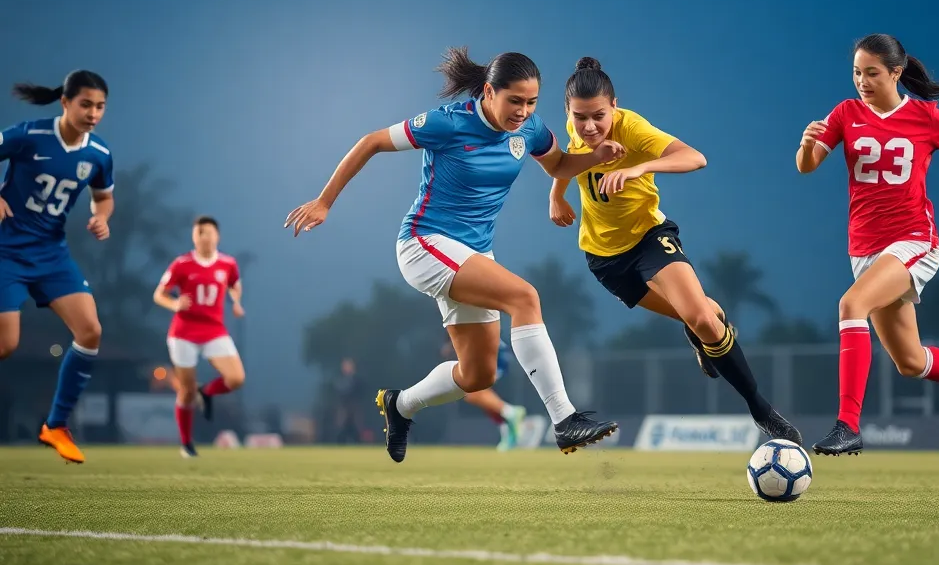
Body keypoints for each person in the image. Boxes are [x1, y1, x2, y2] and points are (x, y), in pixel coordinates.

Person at [285, 48, 625, 463]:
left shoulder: (530, 130)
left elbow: (557, 166)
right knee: (525, 297)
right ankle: (564, 419)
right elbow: (371, 141)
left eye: (531, 102)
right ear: (488, 92)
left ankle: (401, 405)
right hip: (424, 243)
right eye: (513, 101)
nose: (522, 111)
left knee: (477, 374)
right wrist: (324, 202)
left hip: (472, 253)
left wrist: (594, 157)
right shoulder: (448, 122)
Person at [549, 57, 802, 444]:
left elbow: (695, 157)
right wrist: (556, 197)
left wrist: (638, 168)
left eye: (599, 116)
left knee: (703, 318)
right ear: (568, 111)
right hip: (604, 260)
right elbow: (566, 161)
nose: (589, 127)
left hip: (650, 238)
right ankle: (698, 329)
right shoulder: (576, 127)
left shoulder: (632, 128)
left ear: (614, 105)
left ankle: (762, 410)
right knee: (707, 316)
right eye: (580, 117)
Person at [795, 33, 939, 455]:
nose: (861, 81)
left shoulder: (925, 117)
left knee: (851, 306)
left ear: (896, 73)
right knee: (911, 362)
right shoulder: (846, 113)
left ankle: (847, 426)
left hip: (912, 240)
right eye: (856, 73)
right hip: (863, 250)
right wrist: (807, 144)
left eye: (871, 73)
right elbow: (807, 167)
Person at [0, 71, 115, 464]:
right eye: (86, 104)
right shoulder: (29, 135)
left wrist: (102, 217)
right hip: (6, 251)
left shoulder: (98, 153)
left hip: (52, 254)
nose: (93, 113)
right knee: (6, 344)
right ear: (65, 103)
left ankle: (56, 426)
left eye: (100, 106)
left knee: (90, 330)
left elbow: (104, 198)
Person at [152, 216, 245, 458]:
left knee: (236, 378)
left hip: (214, 330)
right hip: (184, 332)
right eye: (199, 232)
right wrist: (174, 304)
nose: (204, 236)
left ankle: (207, 393)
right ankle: (186, 444)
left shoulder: (228, 263)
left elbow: (235, 284)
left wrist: (235, 302)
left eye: (208, 231)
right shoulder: (182, 264)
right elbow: (159, 294)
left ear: (217, 236)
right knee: (186, 390)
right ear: (194, 237)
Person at [441, 337, 526, 451]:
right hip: (489, 354)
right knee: (481, 396)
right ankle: (507, 427)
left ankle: (511, 413)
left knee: (471, 391)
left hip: (494, 355)